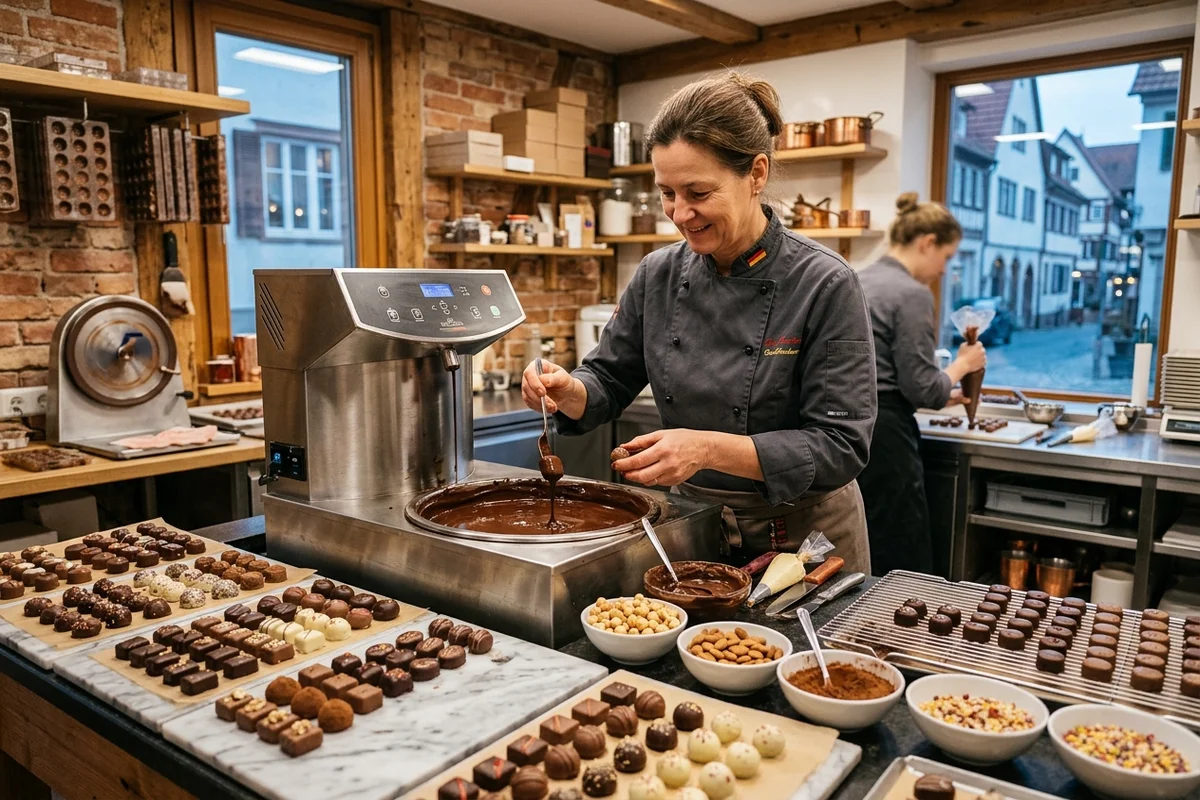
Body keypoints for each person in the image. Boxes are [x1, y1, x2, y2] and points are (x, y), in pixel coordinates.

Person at [521, 73, 877, 572]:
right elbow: (608, 377)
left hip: (803, 541)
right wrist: (567, 390)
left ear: (756, 173)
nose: (680, 213)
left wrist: (706, 448)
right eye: (666, 192)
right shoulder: (658, 274)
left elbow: (840, 446)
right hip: (692, 529)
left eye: (698, 192)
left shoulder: (825, 283)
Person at [856, 192, 986, 577]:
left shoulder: (855, 277)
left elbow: (881, 371)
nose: (945, 270)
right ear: (927, 242)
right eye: (946, 257)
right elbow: (922, 390)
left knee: (864, 543)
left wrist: (943, 390)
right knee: (900, 550)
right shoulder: (910, 293)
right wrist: (963, 364)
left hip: (848, 430)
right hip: (886, 436)